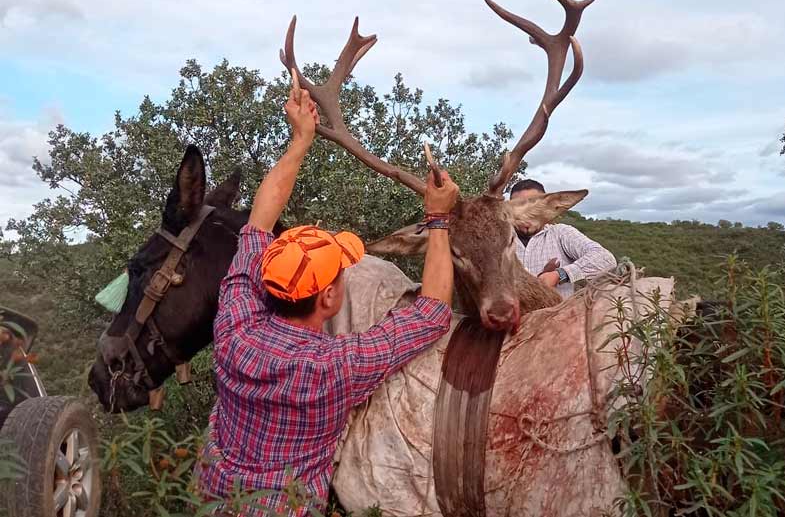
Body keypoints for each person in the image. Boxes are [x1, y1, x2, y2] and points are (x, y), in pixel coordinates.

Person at [194, 70, 460, 516]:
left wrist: (300, 139)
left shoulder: (234, 325)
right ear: (329, 299)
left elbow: (258, 222)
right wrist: (439, 218)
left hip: (212, 502)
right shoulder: (335, 368)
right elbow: (432, 313)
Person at [510, 179, 616, 298]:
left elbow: (606, 259)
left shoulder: (560, 233)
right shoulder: (497, 240)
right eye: (519, 208)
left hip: (556, 315)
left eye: (533, 207)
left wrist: (560, 275)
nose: (526, 215)